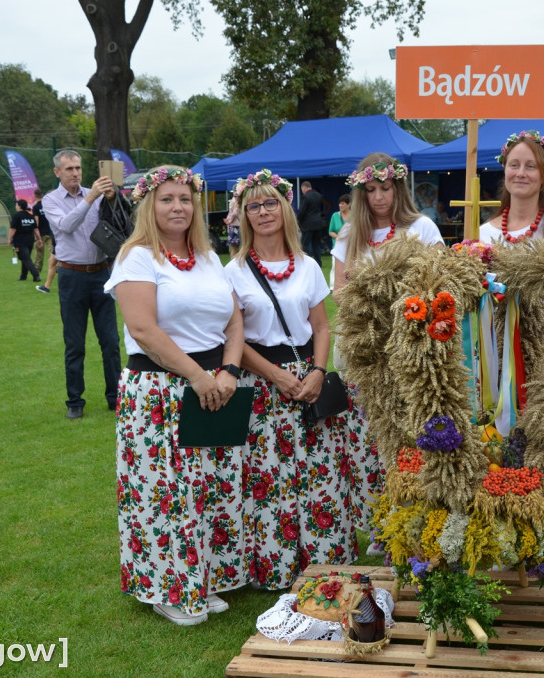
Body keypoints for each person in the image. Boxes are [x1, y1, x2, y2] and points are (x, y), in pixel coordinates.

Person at [224, 169, 377, 589]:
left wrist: (317, 371)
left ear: (285, 208)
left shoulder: (308, 264)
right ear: (243, 215)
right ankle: (275, 565)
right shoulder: (233, 271)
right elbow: (233, 336)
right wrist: (275, 376)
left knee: (321, 472)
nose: (263, 212)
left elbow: (323, 327)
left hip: (310, 383)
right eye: (253, 206)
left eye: (270, 203)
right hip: (262, 385)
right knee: (270, 479)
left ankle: (328, 558)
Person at [105, 165, 245, 625]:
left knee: (209, 487)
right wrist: (197, 376)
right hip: (161, 388)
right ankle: (168, 587)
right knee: (166, 492)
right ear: (149, 204)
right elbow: (143, 329)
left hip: (213, 384)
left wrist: (226, 371)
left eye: (185, 199)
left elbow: (233, 319)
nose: (178, 207)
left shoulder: (206, 257)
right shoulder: (137, 256)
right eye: (167, 199)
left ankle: (204, 578)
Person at [42, 149, 122, 419]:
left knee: (110, 341)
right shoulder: (51, 200)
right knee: (75, 343)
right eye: (69, 169)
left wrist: (112, 199)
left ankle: (115, 397)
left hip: (102, 274)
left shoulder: (96, 195)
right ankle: (75, 400)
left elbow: (119, 222)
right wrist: (91, 197)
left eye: (78, 168)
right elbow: (66, 226)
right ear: (57, 172)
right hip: (71, 276)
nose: (75, 173)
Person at [332, 153, 444, 293]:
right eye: (371, 190)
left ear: (398, 190)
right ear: (362, 194)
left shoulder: (422, 226)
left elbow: (441, 280)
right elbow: (338, 292)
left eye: (385, 188)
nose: (378, 197)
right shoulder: (349, 233)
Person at [9, 199, 42, 283]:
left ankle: (36, 275)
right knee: (26, 258)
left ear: (19, 206)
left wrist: (9, 238)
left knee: (25, 258)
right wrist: (39, 239)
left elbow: (13, 229)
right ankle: (23, 276)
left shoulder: (16, 216)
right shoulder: (30, 216)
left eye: (16, 205)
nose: (15, 206)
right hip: (30, 240)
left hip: (19, 241)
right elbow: (35, 229)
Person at [297, 180, 325, 267]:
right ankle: (318, 263)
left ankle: (306, 263)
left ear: (303, 188)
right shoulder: (319, 196)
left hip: (308, 225)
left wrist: (298, 222)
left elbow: (302, 212)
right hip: (318, 223)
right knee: (317, 245)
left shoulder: (305, 197)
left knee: (305, 245)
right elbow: (320, 210)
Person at [327, 193, 350, 291]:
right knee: (335, 266)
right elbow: (330, 231)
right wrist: (339, 237)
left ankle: (350, 286)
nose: (341, 205)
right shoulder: (335, 215)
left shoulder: (354, 215)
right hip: (337, 246)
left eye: (343, 203)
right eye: (340, 203)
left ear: (349, 204)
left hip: (351, 246)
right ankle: (333, 287)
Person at [33, 188, 55, 275]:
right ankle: (56, 266)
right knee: (52, 250)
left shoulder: (36, 207)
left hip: (40, 233)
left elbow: (36, 221)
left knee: (39, 252)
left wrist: (35, 232)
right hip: (50, 231)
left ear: (35, 196)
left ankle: (37, 268)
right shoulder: (46, 204)